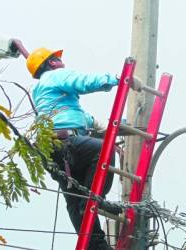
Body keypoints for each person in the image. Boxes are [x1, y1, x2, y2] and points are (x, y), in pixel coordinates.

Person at [26, 47, 118, 250]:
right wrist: (117, 79)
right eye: (58, 60)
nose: (62, 63)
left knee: (75, 201)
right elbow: (82, 81)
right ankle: (94, 200)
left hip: (53, 150)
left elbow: (79, 117)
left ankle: (95, 245)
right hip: (66, 144)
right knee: (103, 151)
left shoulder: (45, 93)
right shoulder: (55, 75)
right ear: (51, 63)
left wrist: (104, 125)